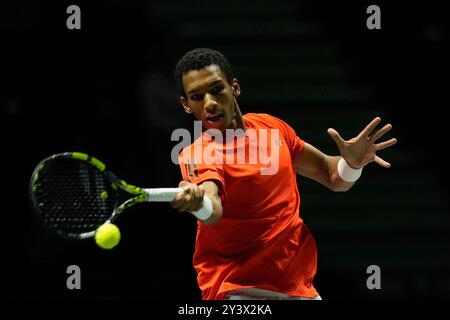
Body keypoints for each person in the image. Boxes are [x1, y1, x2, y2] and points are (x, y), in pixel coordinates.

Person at [170, 48, 397, 300]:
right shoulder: (198, 153)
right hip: (239, 291)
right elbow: (213, 210)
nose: (209, 103)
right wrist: (198, 202)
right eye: (197, 96)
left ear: (234, 87)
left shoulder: (272, 128)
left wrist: (353, 163)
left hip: (298, 288)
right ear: (186, 105)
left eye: (216, 89)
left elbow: (333, 177)